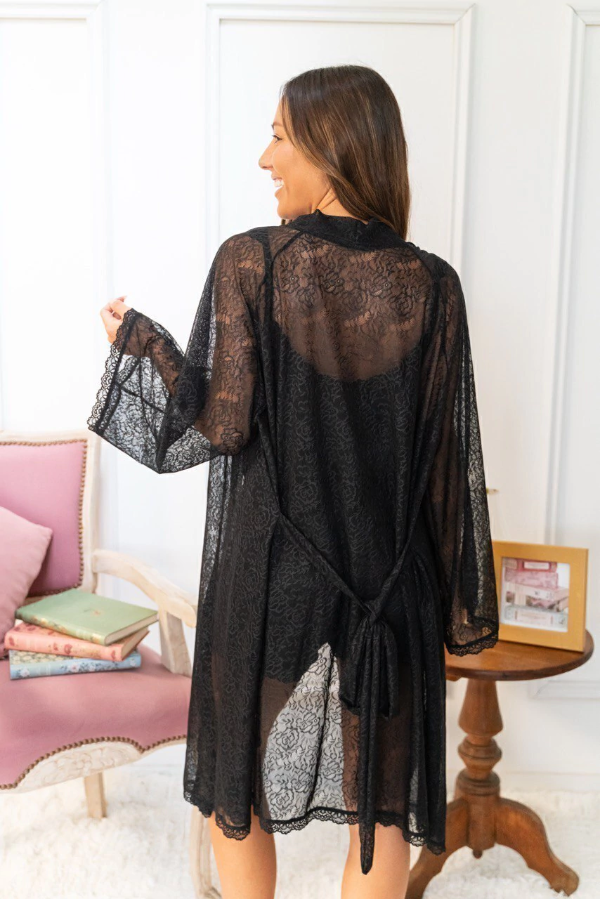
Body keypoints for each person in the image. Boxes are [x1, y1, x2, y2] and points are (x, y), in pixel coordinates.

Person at [89, 64, 499, 899]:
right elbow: (447, 467)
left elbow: (219, 424)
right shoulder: (434, 286)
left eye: (279, 135)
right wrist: (459, 612)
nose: (265, 157)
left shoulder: (253, 262)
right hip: (392, 586)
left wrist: (145, 347)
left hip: (274, 578)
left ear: (331, 146)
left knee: (235, 791)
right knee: (380, 807)